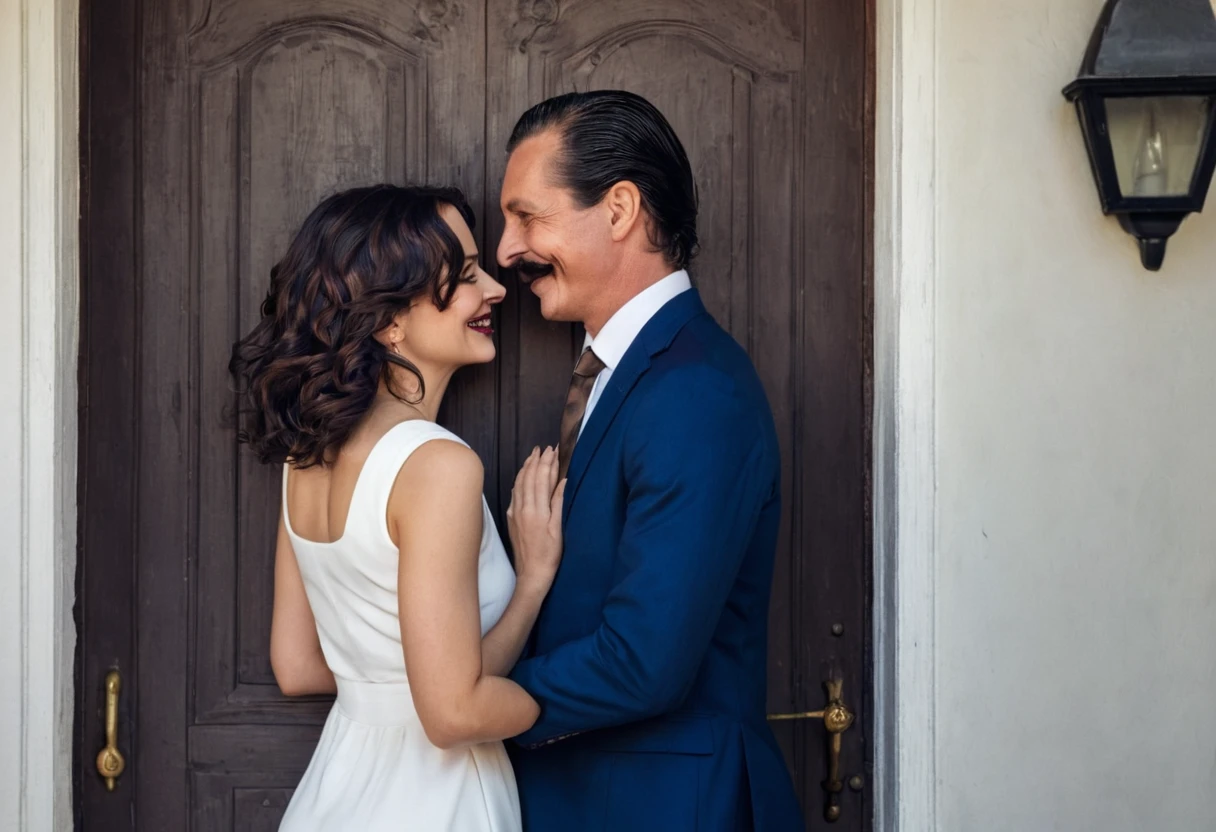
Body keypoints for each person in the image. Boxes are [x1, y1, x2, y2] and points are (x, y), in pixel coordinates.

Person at [497, 91, 804, 831]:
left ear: (619, 209)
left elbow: (643, 660)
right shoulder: (621, 370)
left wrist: (481, 706)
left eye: (526, 217)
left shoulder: (695, 388)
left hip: (667, 808)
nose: (505, 251)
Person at [230, 184, 563, 832]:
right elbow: (455, 714)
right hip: (434, 804)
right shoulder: (438, 467)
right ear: (388, 321)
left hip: (337, 794)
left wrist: (415, 686)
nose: (495, 289)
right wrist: (535, 596)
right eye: (465, 277)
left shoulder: (307, 456)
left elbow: (297, 666)